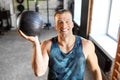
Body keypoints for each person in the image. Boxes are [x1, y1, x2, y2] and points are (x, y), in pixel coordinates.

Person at [18, 9, 102, 80]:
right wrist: (36, 43)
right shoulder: (47, 45)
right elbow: (39, 72)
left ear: (72, 24)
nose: (64, 25)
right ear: (55, 26)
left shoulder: (86, 45)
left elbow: (95, 70)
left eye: (67, 21)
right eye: (60, 22)